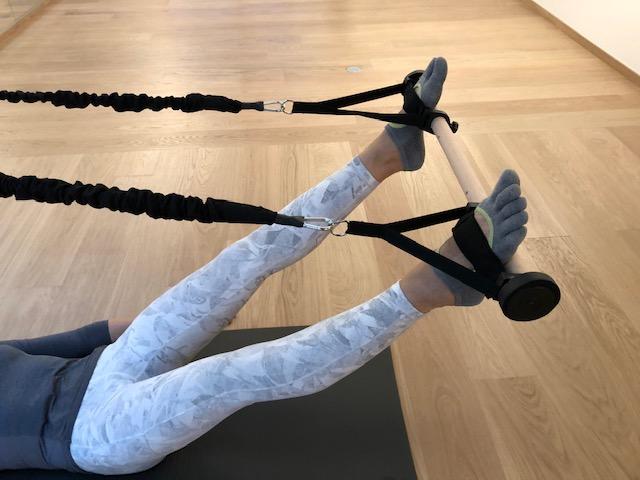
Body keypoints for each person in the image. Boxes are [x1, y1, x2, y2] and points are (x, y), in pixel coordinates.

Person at [0, 58, 528, 475]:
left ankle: (386, 155)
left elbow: (72, 341)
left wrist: (182, 316)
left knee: (237, 262)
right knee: (229, 375)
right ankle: (435, 286)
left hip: (105, 366)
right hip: (92, 433)